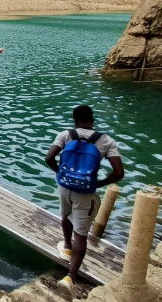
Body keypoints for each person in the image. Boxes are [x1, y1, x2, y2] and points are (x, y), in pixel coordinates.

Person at [45, 105, 124, 294]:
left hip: (64, 187)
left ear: (75, 120)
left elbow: (49, 157)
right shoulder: (106, 141)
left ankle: (66, 247)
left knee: (66, 215)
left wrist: (60, 174)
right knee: (81, 234)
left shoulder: (66, 135)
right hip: (86, 192)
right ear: (93, 120)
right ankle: (70, 278)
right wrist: (99, 183)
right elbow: (119, 172)